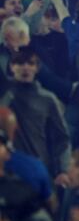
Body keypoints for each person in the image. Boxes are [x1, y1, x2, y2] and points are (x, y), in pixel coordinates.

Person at [0, 47, 70, 178]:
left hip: (39, 168)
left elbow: (62, 137)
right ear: (11, 67)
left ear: (37, 68)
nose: (25, 67)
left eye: (30, 63)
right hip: (7, 169)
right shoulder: (4, 94)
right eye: (20, 63)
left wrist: (63, 170)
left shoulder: (47, 99)